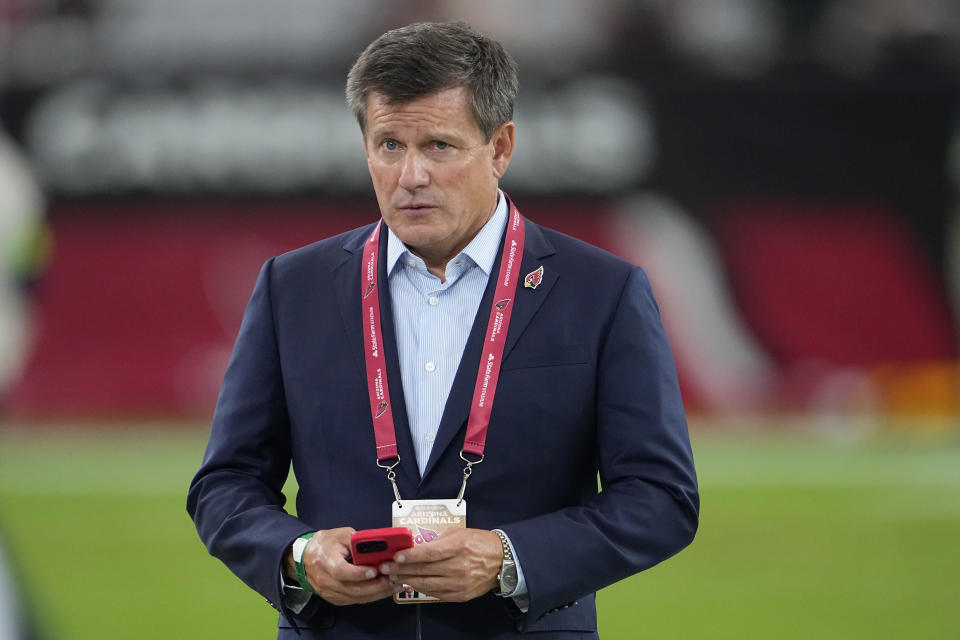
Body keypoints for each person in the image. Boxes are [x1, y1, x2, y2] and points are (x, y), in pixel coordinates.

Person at [188, 21, 698, 639]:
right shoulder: (291, 287)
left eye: (439, 146)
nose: (411, 176)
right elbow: (226, 484)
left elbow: (659, 497)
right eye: (389, 145)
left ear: (500, 148)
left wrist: (512, 559)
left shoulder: (602, 292)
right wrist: (297, 555)